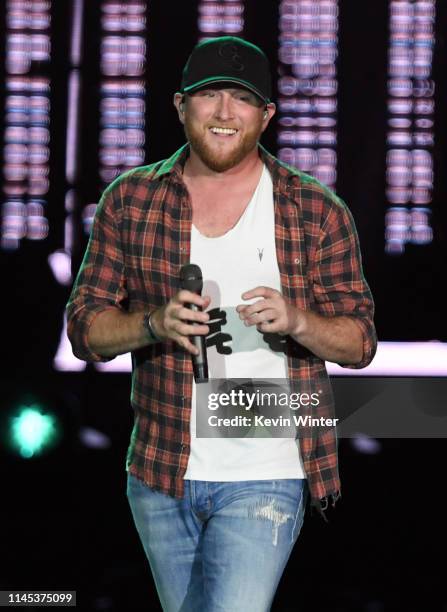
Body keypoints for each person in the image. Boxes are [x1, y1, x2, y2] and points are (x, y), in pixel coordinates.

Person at [67, 36, 377, 612]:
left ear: (267, 116)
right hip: (161, 469)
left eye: (242, 99)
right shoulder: (131, 200)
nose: (225, 113)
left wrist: (299, 320)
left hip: (269, 469)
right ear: (181, 106)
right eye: (210, 96)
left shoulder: (314, 210)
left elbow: (360, 343)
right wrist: (154, 323)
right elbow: (85, 329)